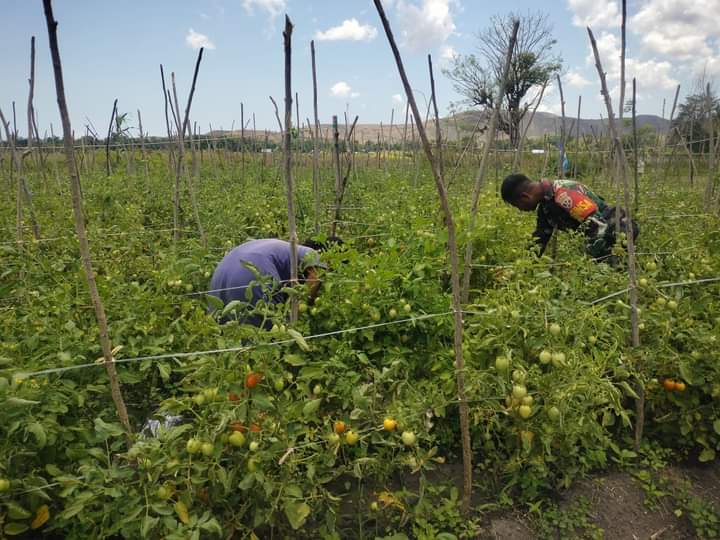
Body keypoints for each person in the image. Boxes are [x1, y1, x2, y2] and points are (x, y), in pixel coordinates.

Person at [500, 174, 638, 263]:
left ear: (525, 197)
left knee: (615, 272)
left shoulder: (563, 194)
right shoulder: (545, 207)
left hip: (616, 235)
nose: (520, 209)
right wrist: (523, 265)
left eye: (517, 205)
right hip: (600, 239)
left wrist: (587, 263)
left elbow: (598, 227)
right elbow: (540, 238)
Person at [209, 237, 340, 326]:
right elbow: (315, 276)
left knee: (223, 325)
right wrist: (301, 307)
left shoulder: (285, 250)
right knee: (266, 334)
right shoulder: (314, 254)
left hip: (224, 268)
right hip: (255, 271)